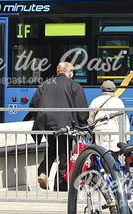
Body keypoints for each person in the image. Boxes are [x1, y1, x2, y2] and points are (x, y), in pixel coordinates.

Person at [28, 62, 88, 191]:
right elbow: (82, 109)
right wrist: (83, 125)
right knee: (65, 153)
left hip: (46, 123)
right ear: (70, 72)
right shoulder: (74, 86)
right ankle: (61, 183)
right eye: (73, 72)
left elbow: (33, 104)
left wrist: (39, 117)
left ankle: (43, 172)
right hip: (65, 124)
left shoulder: (46, 84)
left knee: (52, 148)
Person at [88, 80, 130, 150]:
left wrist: (90, 135)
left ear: (102, 89)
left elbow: (90, 119)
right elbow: (124, 121)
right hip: (115, 133)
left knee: (101, 154)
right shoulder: (118, 101)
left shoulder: (95, 101)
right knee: (114, 155)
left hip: (99, 132)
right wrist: (127, 137)